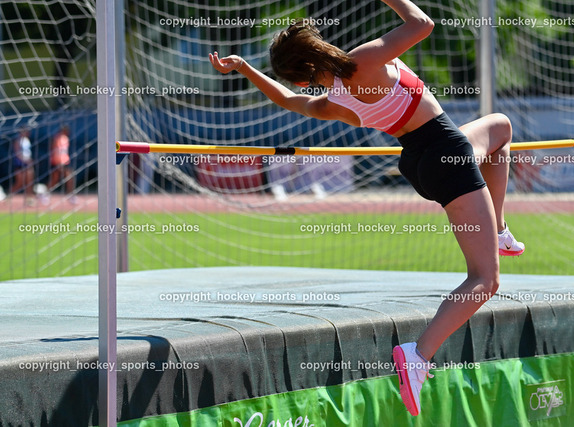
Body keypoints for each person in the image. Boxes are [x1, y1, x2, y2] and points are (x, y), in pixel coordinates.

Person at [210, 0, 525, 416]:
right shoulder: (360, 62)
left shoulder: (330, 101)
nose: (304, 89)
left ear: (306, 71)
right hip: (445, 154)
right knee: (485, 280)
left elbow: (288, 100)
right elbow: (422, 23)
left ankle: (498, 228)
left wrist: (246, 69)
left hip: (419, 160)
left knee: (500, 127)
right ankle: (419, 356)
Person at [48, 125, 76, 204]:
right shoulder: (57, 138)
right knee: (55, 180)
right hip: (57, 161)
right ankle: (45, 193)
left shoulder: (66, 138)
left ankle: (70, 195)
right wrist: (57, 162)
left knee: (69, 177)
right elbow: (55, 150)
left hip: (65, 161)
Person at [11, 128, 36, 205]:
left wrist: (30, 161)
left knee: (29, 182)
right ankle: (9, 196)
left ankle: (29, 199)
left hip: (27, 164)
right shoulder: (18, 141)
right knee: (20, 182)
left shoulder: (27, 140)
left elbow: (28, 153)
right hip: (20, 164)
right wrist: (26, 160)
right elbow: (17, 153)